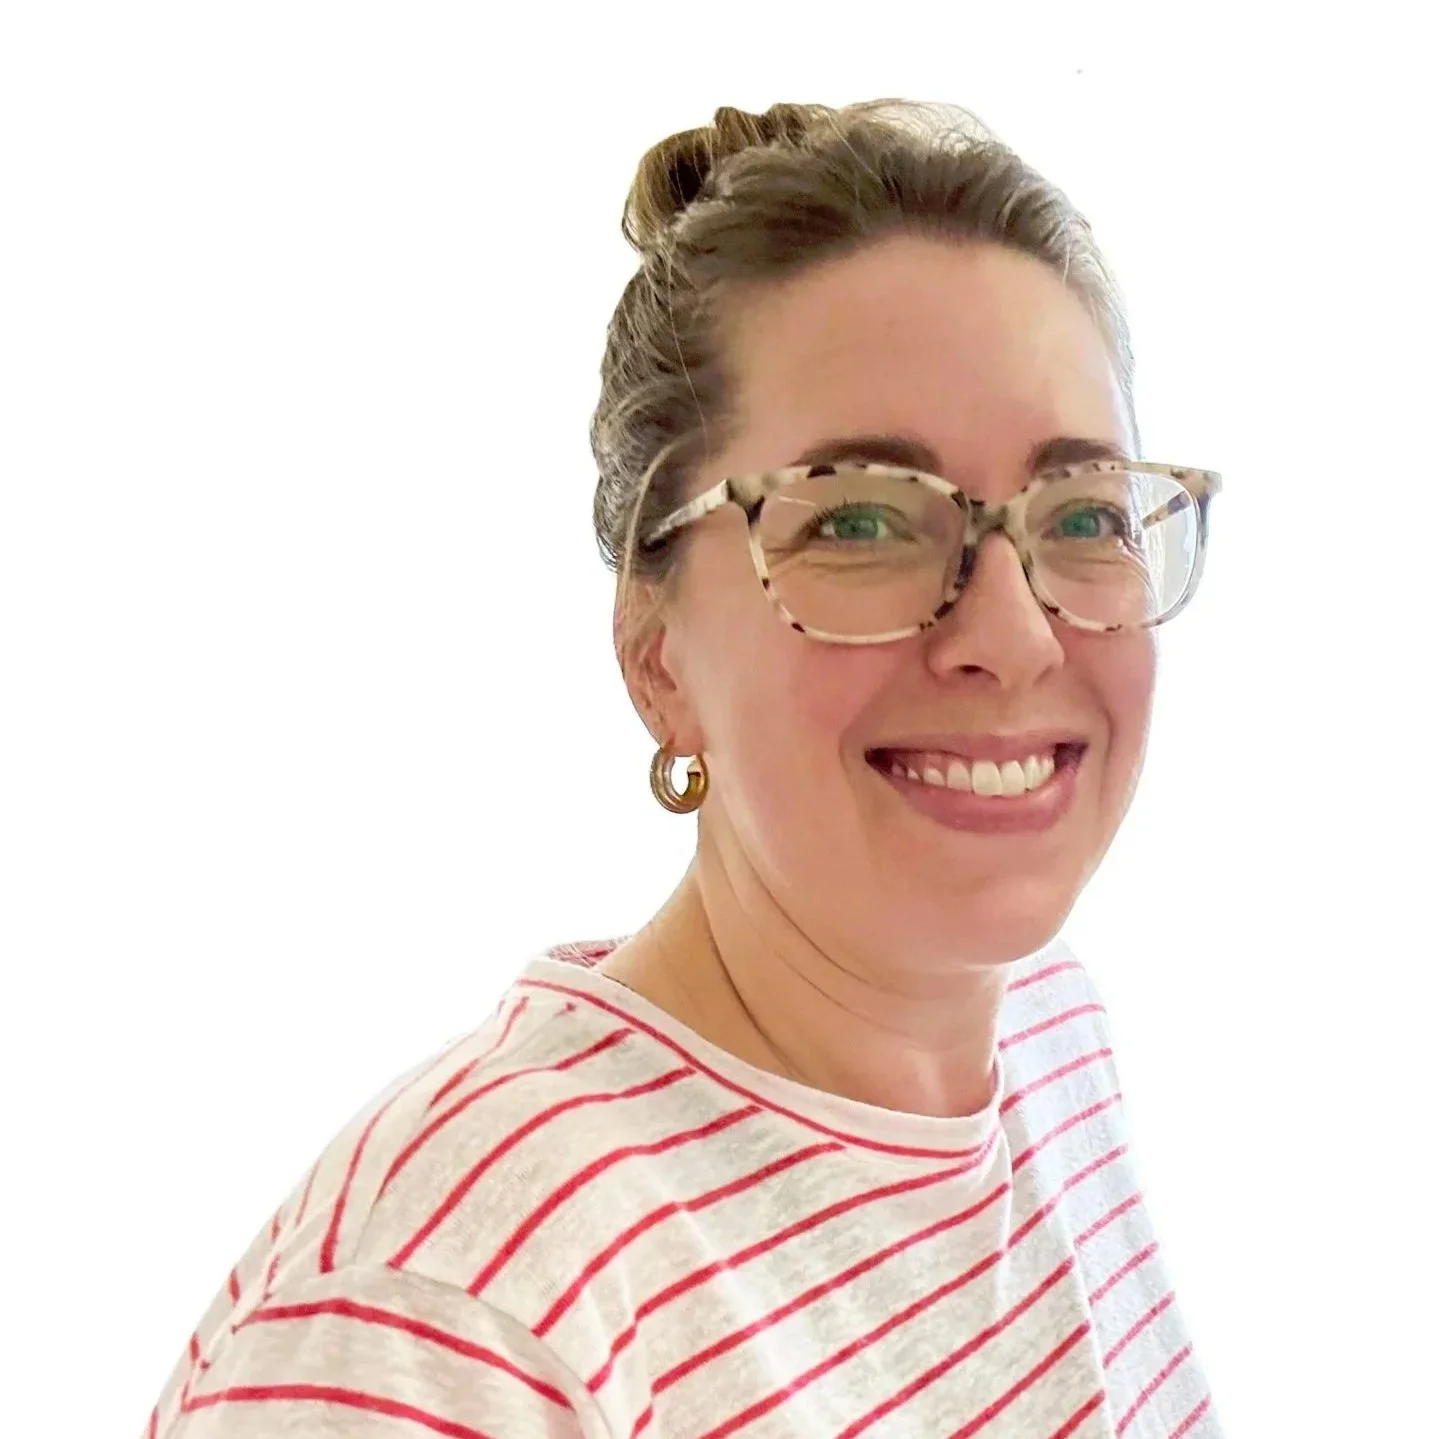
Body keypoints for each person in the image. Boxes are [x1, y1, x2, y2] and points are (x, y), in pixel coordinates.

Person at [145, 99, 1224, 1438]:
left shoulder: (1050, 1036)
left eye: (1083, 514)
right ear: (656, 655)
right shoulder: (453, 1314)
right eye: (860, 520)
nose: (1008, 634)